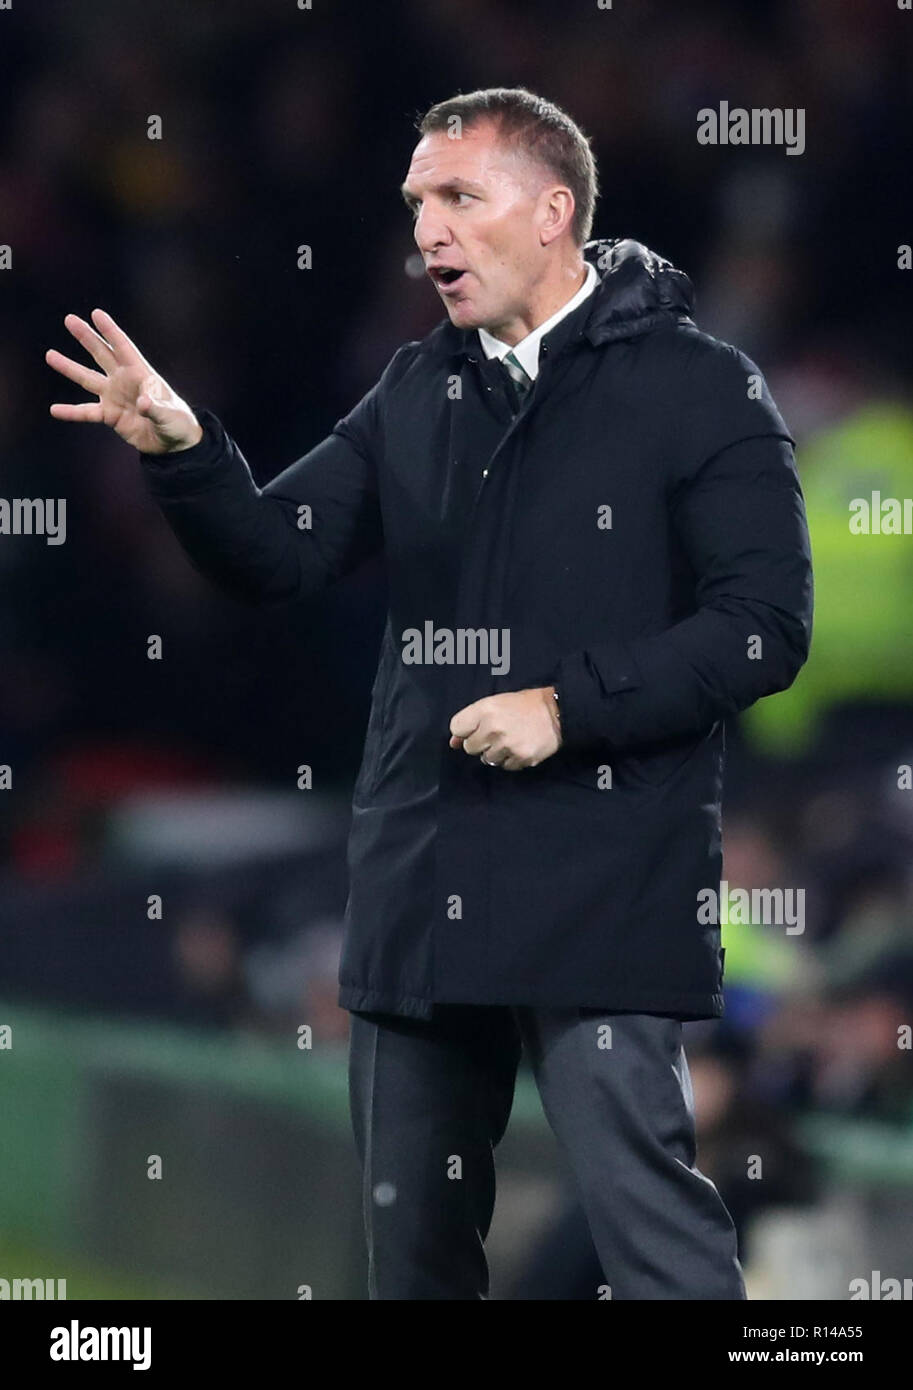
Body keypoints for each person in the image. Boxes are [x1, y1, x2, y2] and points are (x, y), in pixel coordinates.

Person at [46, 86, 813, 1300]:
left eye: (460, 197)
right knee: (411, 1266)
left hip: (606, 879)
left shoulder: (700, 389)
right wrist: (187, 453)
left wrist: (567, 706)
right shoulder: (421, 387)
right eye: (417, 205)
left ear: (556, 211)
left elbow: (765, 630)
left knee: (654, 1244)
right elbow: (279, 552)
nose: (429, 233)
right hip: (425, 872)